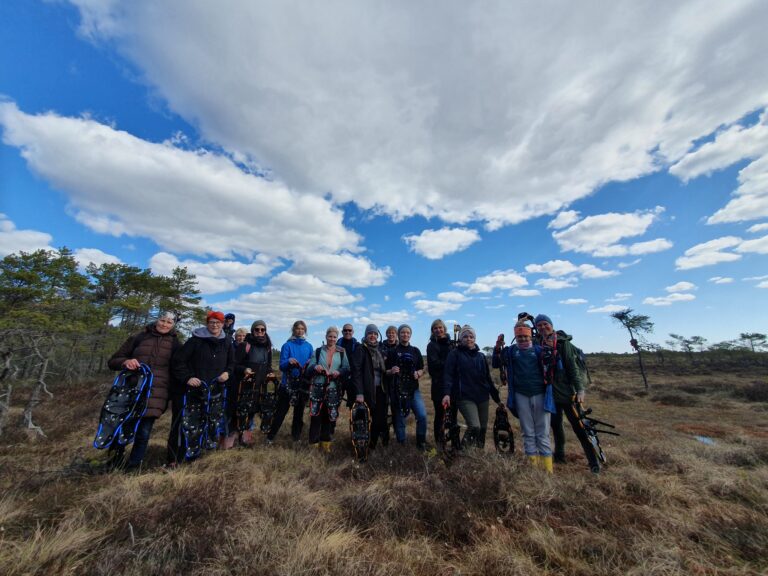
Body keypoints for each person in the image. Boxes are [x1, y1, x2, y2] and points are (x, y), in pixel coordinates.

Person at [105, 311, 180, 471]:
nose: (164, 324)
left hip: (156, 395)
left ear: (173, 325)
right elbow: (113, 361)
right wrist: (126, 362)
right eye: (162, 320)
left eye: (169, 322)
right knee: (120, 428)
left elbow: (177, 370)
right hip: (130, 392)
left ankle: (133, 467)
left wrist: (171, 394)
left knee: (143, 433)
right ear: (157, 320)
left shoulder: (175, 344)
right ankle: (114, 463)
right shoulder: (139, 338)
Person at [534, 314, 600, 474]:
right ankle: (559, 456)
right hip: (551, 395)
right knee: (556, 426)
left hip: (568, 394)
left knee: (580, 427)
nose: (543, 327)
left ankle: (594, 463)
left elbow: (572, 368)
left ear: (551, 325)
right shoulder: (537, 343)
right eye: (539, 325)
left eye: (545, 324)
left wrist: (580, 389)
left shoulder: (563, 344)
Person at [169, 310, 234, 464]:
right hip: (194, 392)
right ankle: (179, 457)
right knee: (189, 425)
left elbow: (231, 363)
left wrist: (227, 373)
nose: (215, 325)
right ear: (207, 323)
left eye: (218, 322)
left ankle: (201, 456)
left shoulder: (227, 342)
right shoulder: (195, 340)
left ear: (222, 324)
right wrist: (188, 378)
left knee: (210, 424)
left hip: (215, 392)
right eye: (212, 322)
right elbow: (178, 361)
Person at [495, 321, 554, 473]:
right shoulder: (510, 351)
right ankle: (533, 470)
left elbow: (556, 366)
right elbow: (496, 363)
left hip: (540, 394)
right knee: (528, 432)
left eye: (525, 336)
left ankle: (547, 470)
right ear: (515, 336)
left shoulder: (540, 350)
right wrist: (497, 348)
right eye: (519, 336)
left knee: (543, 432)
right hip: (520, 395)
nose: (522, 339)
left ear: (530, 336)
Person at [442, 325, 500, 448]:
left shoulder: (481, 356)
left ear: (475, 338)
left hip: (482, 397)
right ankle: (463, 451)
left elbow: (488, 379)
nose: (469, 339)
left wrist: (497, 399)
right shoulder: (454, 354)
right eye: (465, 337)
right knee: (474, 426)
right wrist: (446, 393)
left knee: (483, 428)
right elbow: (448, 375)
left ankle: (478, 453)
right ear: (461, 339)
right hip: (464, 396)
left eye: (471, 336)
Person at [267, 320, 313, 443]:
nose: (300, 331)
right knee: (281, 412)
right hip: (287, 384)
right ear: (293, 330)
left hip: (302, 384)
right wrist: (289, 361)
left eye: (302, 329)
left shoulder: (309, 346)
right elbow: (282, 366)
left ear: (305, 331)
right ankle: (270, 437)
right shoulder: (287, 345)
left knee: (299, 413)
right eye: (298, 328)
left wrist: (310, 364)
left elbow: (311, 365)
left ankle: (296, 437)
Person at [230, 320, 275, 446]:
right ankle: (232, 435)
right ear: (252, 330)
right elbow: (234, 365)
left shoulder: (267, 347)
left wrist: (270, 373)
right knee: (239, 410)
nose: (260, 332)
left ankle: (245, 436)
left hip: (258, 385)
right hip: (243, 385)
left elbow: (268, 366)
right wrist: (244, 369)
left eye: (262, 329)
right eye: (257, 329)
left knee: (251, 410)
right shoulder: (245, 345)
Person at [306, 326, 349, 452]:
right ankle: (313, 444)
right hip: (318, 387)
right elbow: (309, 367)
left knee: (329, 416)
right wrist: (315, 367)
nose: (332, 339)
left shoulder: (342, 352)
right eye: (330, 336)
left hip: (333, 388)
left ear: (337, 338)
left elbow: (346, 367)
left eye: (334, 337)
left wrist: (339, 372)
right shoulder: (318, 351)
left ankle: (325, 443)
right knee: (316, 416)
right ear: (326, 337)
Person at [385, 324, 427, 450]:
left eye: (408, 332)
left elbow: (422, 368)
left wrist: (419, 373)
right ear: (399, 334)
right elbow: (385, 371)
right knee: (399, 419)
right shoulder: (392, 352)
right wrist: (391, 370)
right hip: (397, 390)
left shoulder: (415, 351)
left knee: (422, 415)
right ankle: (401, 443)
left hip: (413, 390)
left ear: (410, 335)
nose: (405, 334)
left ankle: (421, 442)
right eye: (403, 332)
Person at [352, 324, 388, 450]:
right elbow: (356, 372)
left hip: (380, 389)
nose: (372, 336)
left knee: (379, 418)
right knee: (363, 420)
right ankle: (361, 445)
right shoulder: (361, 349)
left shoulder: (381, 349)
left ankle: (372, 444)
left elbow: (384, 370)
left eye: (375, 334)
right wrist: (359, 392)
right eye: (370, 333)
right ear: (366, 335)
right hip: (366, 390)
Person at [426, 319, 454, 445]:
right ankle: (439, 442)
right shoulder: (431, 345)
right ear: (432, 331)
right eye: (435, 328)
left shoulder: (451, 344)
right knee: (440, 414)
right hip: (438, 385)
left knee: (452, 414)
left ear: (444, 329)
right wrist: (449, 362)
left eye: (440, 327)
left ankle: (453, 442)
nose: (438, 330)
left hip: (452, 384)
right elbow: (434, 365)